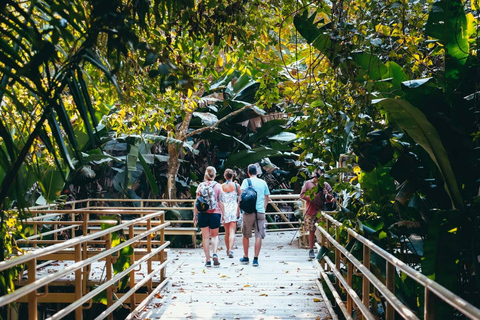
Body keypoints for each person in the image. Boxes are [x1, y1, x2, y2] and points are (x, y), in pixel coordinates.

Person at [239, 164, 270, 267]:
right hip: (260, 212)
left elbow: (241, 197)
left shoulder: (245, 182)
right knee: (259, 235)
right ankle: (255, 259)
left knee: (246, 235)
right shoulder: (263, 183)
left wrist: (240, 209)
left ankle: (246, 257)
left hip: (248, 212)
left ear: (248, 172)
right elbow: (267, 198)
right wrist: (263, 209)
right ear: (257, 172)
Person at [193, 166, 224, 267]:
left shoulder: (200, 186)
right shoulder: (218, 186)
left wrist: (195, 215)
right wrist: (223, 214)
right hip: (215, 213)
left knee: (205, 237)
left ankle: (207, 260)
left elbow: (197, 202)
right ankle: (215, 253)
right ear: (214, 175)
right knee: (214, 236)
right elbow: (220, 201)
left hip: (203, 214)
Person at [300, 168, 333, 260]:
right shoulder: (308, 183)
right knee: (311, 230)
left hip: (322, 210)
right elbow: (302, 195)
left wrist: (327, 194)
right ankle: (311, 249)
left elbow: (331, 198)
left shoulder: (325, 185)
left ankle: (323, 249)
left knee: (323, 231)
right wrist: (311, 197)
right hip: (311, 210)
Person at [220, 169, 242, 258]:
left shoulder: (221, 186)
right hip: (233, 208)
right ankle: (231, 250)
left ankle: (227, 249)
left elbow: (220, 199)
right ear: (232, 176)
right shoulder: (237, 186)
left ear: (225, 176)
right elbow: (240, 198)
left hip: (225, 209)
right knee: (232, 231)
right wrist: (239, 209)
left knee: (227, 231)